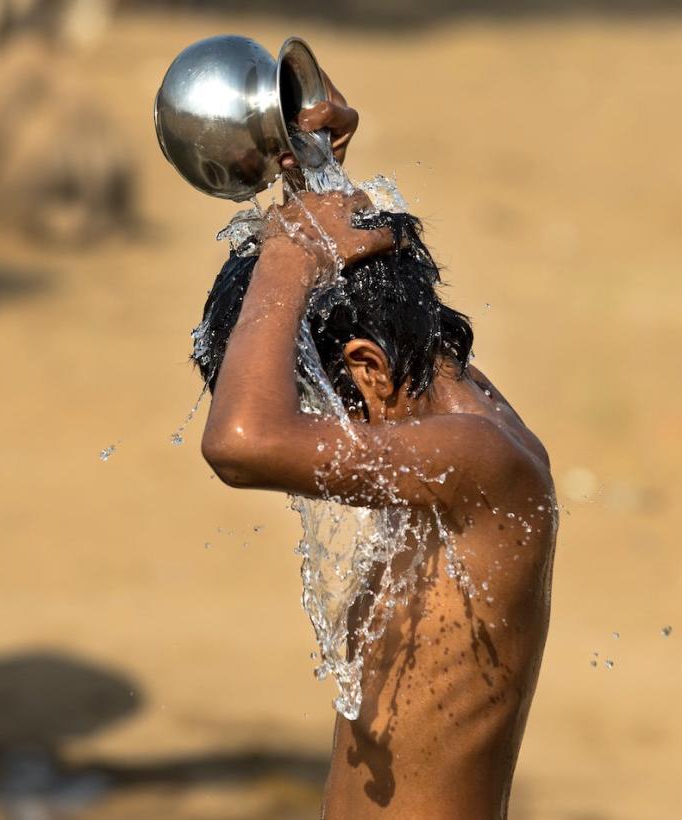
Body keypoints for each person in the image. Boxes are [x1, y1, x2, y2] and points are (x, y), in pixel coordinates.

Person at [193, 74, 557, 819]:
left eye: (316, 412)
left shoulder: (481, 467)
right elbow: (377, 282)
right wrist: (319, 165)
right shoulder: (451, 419)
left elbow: (241, 442)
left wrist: (290, 261)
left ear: (366, 369)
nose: (315, 447)